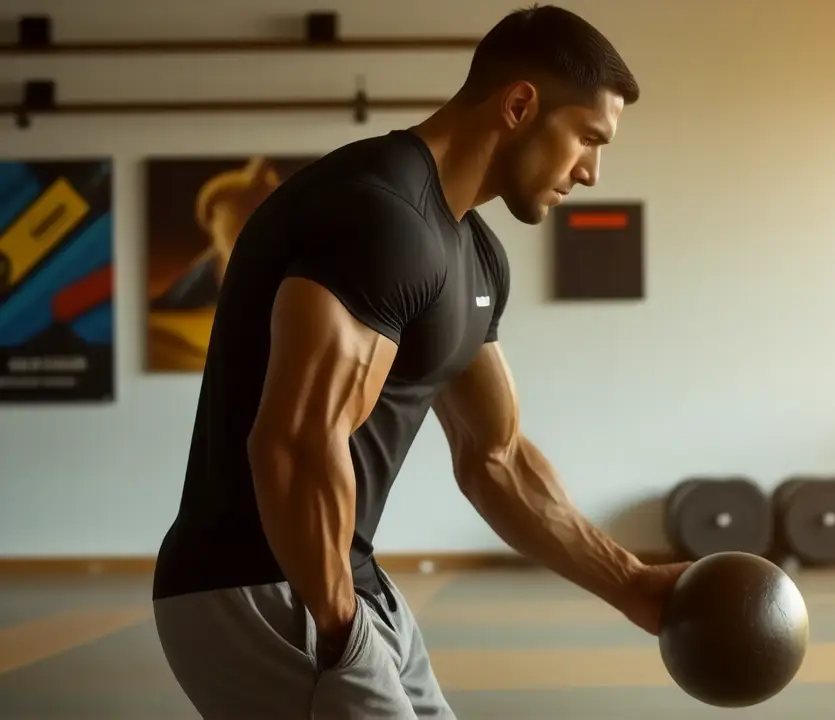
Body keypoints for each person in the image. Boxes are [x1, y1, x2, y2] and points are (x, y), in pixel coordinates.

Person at [151, 5, 689, 718]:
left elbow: (495, 459)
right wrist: (344, 632)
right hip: (258, 587)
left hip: (344, 583)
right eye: (588, 137)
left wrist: (633, 583)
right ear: (521, 104)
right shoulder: (380, 214)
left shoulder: (472, 252)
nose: (590, 171)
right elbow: (295, 444)